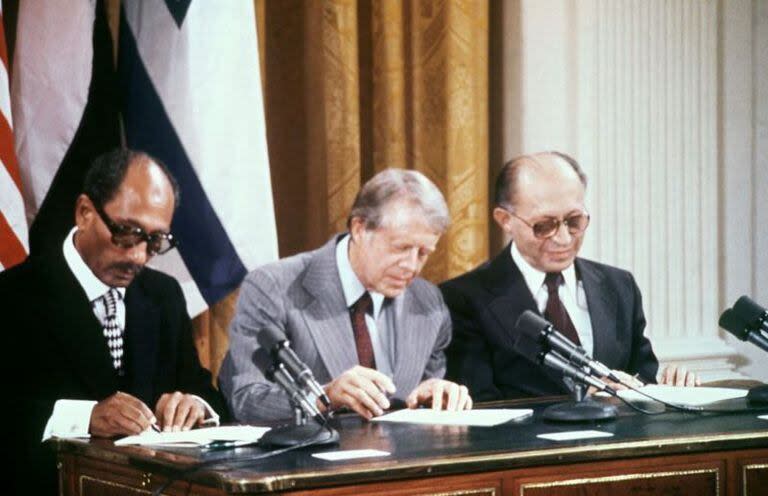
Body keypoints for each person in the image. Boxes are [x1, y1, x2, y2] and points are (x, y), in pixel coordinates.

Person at [2, 149, 227, 493]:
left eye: (155, 240)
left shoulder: (163, 295)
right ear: (84, 212)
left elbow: (199, 387)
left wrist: (195, 405)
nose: (137, 256)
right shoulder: (14, 296)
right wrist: (85, 419)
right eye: (126, 232)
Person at [440, 151, 699, 401]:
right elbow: (479, 406)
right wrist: (583, 400)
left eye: (574, 221)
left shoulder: (619, 286)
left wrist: (670, 386)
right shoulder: (464, 298)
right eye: (544, 226)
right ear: (505, 220)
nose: (563, 239)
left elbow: (642, 379)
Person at [219, 169, 472, 422]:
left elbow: (418, 398)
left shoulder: (428, 303)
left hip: (401, 458)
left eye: (423, 253)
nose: (412, 265)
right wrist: (326, 395)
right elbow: (247, 400)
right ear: (359, 228)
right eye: (401, 248)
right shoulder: (274, 287)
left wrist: (434, 395)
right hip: (307, 458)